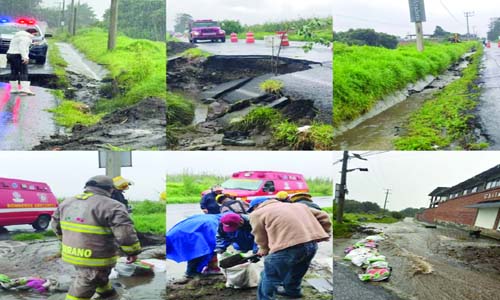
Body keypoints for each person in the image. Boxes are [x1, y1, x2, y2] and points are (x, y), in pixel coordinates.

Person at [51, 175, 142, 300]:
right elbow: (125, 233)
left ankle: (109, 296)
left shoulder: (67, 202)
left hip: (71, 252)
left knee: (99, 278)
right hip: (96, 257)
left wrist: (66, 240)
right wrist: (132, 252)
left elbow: (55, 225)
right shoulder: (113, 205)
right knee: (86, 284)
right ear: (111, 189)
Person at [248, 197, 332, 300]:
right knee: (297, 270)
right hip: (310, 245)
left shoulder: (257, 213)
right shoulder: (299, 206)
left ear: (256, 206)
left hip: (287, 248)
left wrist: (263, 248)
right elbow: (324, 216)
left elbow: (259, 234)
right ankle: (292, 292)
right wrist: (324, 233)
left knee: (269, 276)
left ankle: (265, 298)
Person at [166, 214, 222, 278]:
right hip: (186, 234)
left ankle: (205, 269)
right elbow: (215, 241)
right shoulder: (214, 223)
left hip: (183, 231)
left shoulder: (212, 217)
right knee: (198, 252)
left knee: (198, 251)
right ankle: (191, 273)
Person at [6, 29, 35, 95]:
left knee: (14, 71)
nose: (34, 36)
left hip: (10, 54)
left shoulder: (17, 36)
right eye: (34, 34)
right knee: (23, 71)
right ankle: (25, 89)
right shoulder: (26, 38)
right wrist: (25, 57)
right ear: (31, 33)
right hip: (18, 55)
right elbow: (22, 47)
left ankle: (14, 89)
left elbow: (19, 44)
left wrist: (32, 43)